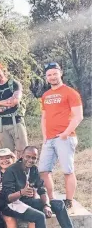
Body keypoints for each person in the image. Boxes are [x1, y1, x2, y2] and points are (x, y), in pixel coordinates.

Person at [0, 146, 84, 228]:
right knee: (38, 216)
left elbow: (41, 189)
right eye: (28, 156)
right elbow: (7, 197)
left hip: (26, 201)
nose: (31, 160)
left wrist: (46, 205)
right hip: (11, 204)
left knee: (59, 204)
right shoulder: (11, 170)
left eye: (34, 158)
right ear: (22, 155)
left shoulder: (33, 170)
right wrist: (21, 192)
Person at [38, 62, 84, 211]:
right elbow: (44, 117)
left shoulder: (70, 92)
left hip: (65, 137)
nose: (52, 77)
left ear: (60, 73)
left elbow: (78, 116)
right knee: (43, 170)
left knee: (67, 170)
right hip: (49, 139)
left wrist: (65, 133)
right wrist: (44, 135)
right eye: (49, 75)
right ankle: (51, 199)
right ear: (46, 77)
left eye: (54, 73)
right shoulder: (45, 95)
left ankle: (69, 200)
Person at [0, 62, 28, 158]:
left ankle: (25, 172)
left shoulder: (14, 84)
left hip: (16, 122)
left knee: (23, 152)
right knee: (7, 154)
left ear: (3, 71)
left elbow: (15, 101)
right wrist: (5, 103)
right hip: (2, 125)